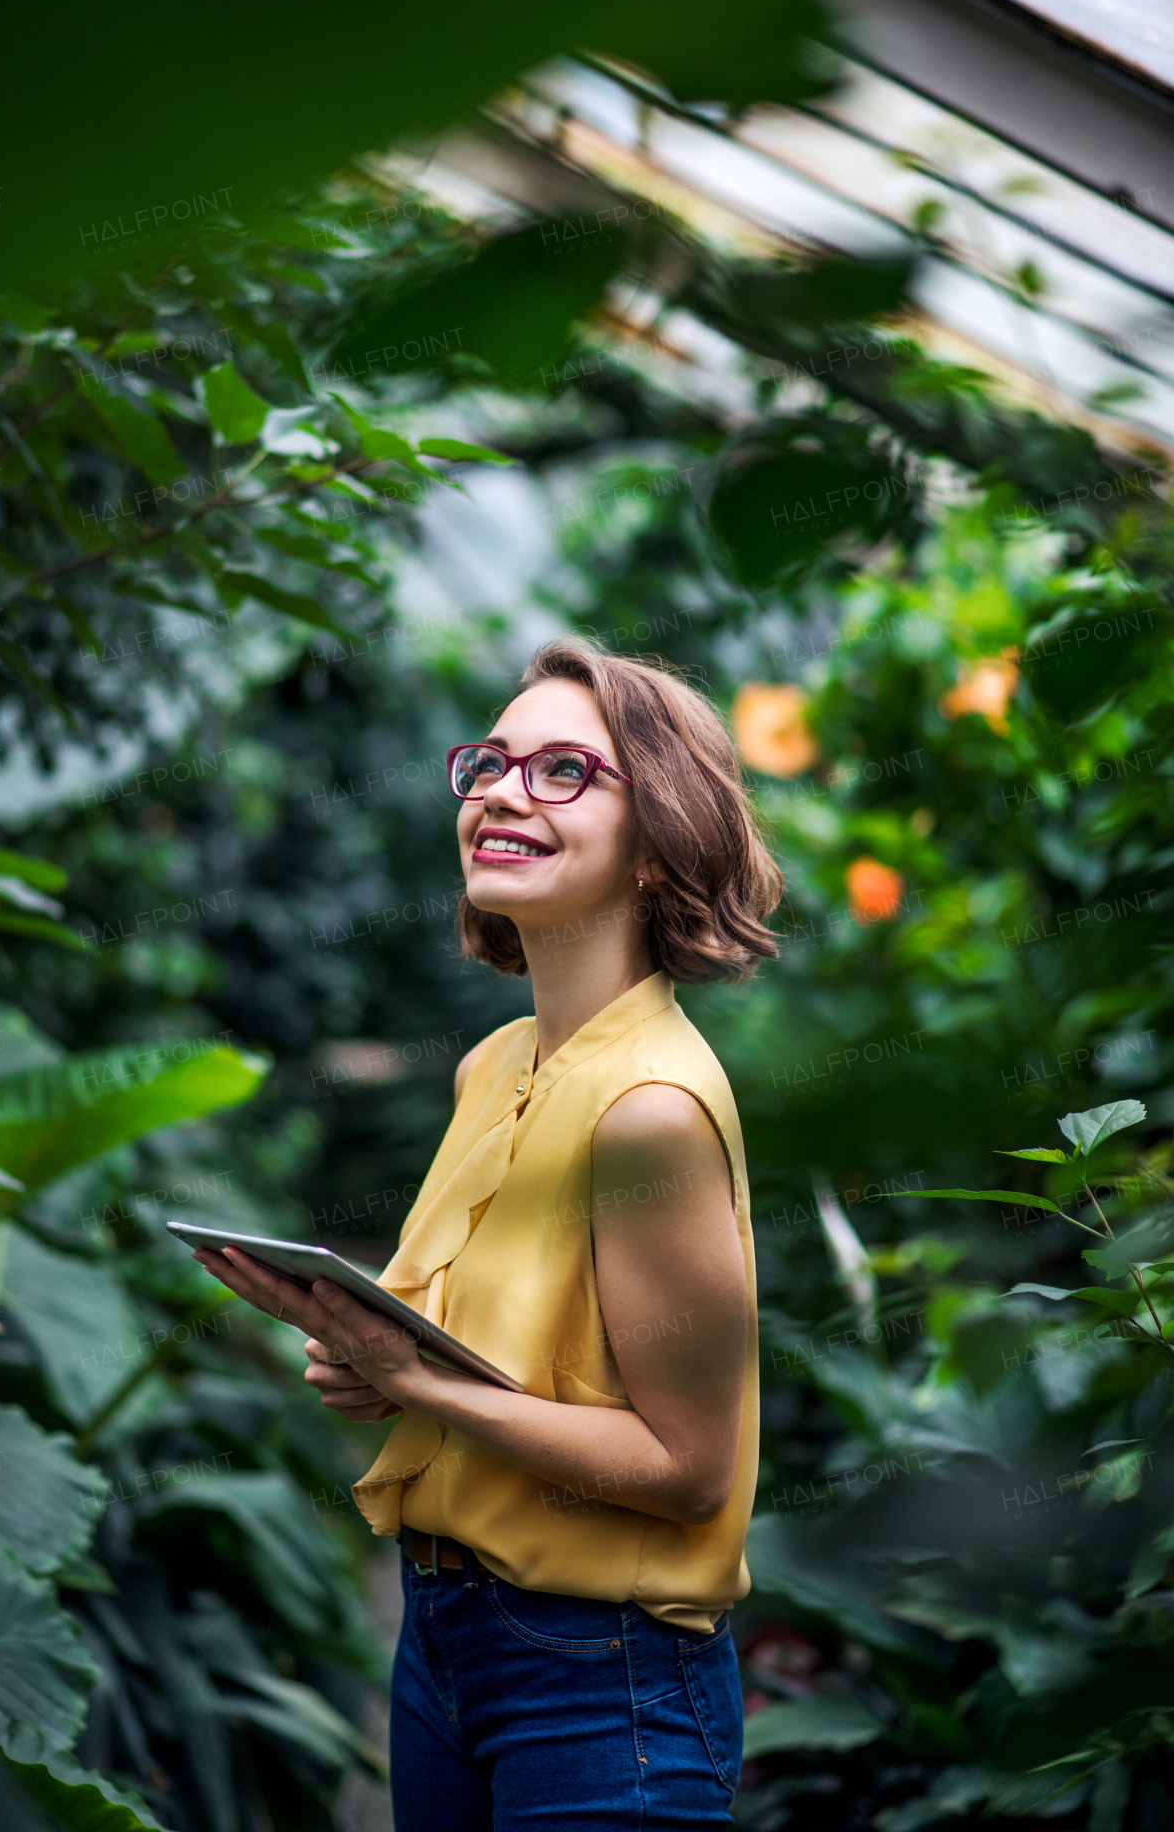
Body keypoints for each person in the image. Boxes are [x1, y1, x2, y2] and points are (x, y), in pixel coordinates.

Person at [196, 634, 783, 1829]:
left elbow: (689, 1471)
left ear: (656, 842)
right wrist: (371, 1369)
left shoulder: (647, 1110)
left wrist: (420, 1382)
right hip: (444, 1641)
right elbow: (498, 1362)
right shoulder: (496, 1065)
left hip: (603, 1678)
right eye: (490, 764)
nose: (503, 793)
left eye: (563, 771)